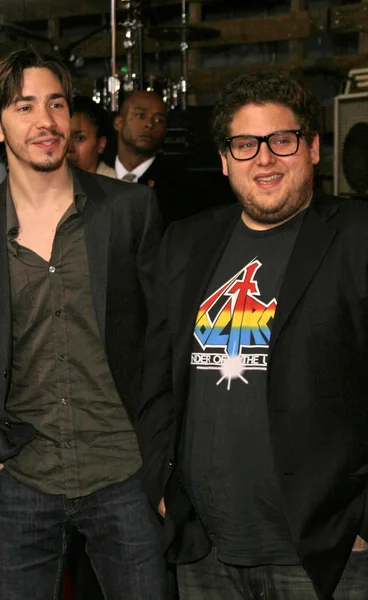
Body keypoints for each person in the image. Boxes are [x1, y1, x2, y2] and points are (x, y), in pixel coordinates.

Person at [136, 71, 368, 600]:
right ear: (224, 159)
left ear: (311, 147)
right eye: (245, 144)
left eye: (281, 140)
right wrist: (161, 485)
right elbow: (154, 380)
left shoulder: (357, 238)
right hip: (207, 550)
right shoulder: (187, 242)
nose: (264, 159)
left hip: (326, 555)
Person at [0, 48, 170, 600]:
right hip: (21, 476)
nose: (45, 121)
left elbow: (164, 337)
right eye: (24, 106)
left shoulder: (130, 211)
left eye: (56, 104)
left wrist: (162, 455)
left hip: (124, 471)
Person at [114, 90, 196, 230]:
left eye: (159, 120)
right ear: (119, 123)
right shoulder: (96, 173)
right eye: (141, 115)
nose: (149, 124)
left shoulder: (179, 186)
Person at [67, 95, 116, 178]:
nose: (69, 148)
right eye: (63, 137)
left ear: (101, 144)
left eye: (80, 138)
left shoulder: (119, 188)